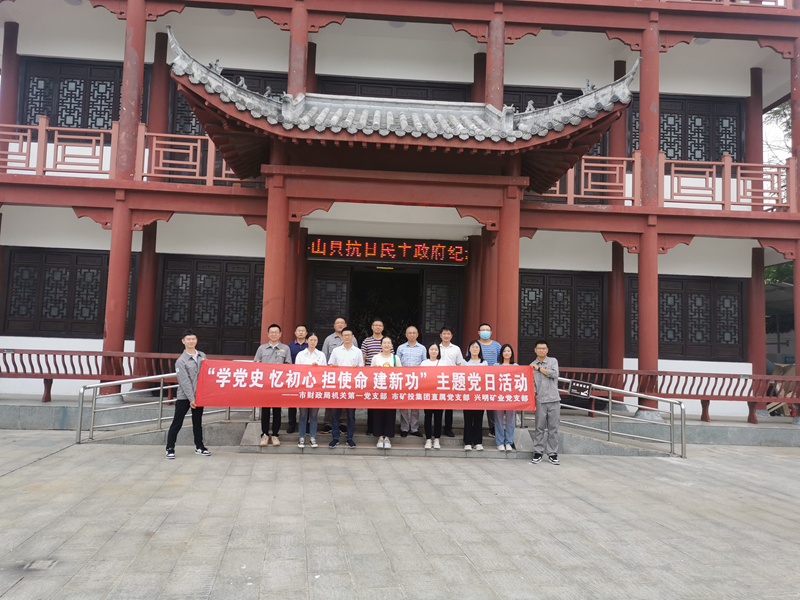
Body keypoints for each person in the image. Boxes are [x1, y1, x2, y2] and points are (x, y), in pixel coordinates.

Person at [166, 329, 209, 459]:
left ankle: (199, 446)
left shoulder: (202, 355)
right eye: (188, 339)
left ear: (196, 340)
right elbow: (184, 382)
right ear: (183, 341)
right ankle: (170, 448)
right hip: (184, 397)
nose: (191, 341)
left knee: (197, 422)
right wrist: (191, 398)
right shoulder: (181, 361)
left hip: (199, 395)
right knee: (177, 422)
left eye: (193, 339)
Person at [254, 323, 292, 447]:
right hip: (265, 385)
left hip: (278, 385)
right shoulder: (261, 348)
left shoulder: (285, 348)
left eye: (276, 332)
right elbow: (255, 364)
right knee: (265, 410)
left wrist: (282, 367)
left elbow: (289, 366)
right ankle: (264, 434)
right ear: (268, 334)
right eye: (272, 332)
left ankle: (275, 435)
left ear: (280, 334)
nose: (274, 334)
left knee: (277, 410)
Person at [327, 327, 364, 448]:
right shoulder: (336, 351)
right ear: (341, 337)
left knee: (351, 415)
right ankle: (335, 437)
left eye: (349, 335)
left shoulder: (357, 351)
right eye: (345, 335)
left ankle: (349, 438)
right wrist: (334, 366)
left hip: (352, 387)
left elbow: (362, 369)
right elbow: (329, 366)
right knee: (335, 414)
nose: (347, 337)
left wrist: (356, 368)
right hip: (338, 387)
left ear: (353, 337)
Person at [530, 339, 561, 465]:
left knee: (553, 428)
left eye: (544, 348)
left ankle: (552, 453)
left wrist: (539, 368)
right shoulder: (531, 365)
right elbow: (532, 384)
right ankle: (538, 452)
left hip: (554, 399)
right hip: (540, 400)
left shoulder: (553, 361)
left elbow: (554, 374)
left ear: (547, 350)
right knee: (539, 428)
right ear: (535, 350)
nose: (541, 350)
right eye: (539, 348)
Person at [294, 332, 326, 449]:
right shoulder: (301, 355)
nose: (313, 342)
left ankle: (312, 437)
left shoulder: (321, 355)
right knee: (303, 414)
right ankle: (302, 437)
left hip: (316, 388)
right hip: (303, 388)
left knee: (314, 415)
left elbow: (325, 371)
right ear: (307, 341)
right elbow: (296, 370)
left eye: (315, 340)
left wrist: (317, 368)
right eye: (311, 340)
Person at [320, 317, 352, 433]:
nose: (340, 325)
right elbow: (324, 356)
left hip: (348, 376)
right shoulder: (329, 339)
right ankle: (328, 423)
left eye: (342, 323)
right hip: (332, 375)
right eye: (337, 323)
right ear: (334, 325)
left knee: (345, 398)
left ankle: (343, 423)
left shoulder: (352, 339)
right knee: (331, 398)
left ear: (345, 325)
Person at [371, 336, 401, 449]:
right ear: (381, 344)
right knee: (378, 413)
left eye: (389, 343)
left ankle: (387, 437)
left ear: (392, 345)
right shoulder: (376, 357)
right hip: (378, 390)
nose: (386, 345)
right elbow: (370, 373)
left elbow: (400, 373)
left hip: (391, 390)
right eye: (384, 343)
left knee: (390, 414)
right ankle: (379, 437)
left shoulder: (395, 358)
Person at [396, 325, 426, 437]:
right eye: (410, 333)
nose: (412, 335)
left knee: (415, 405)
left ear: (417, 335)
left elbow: (424, 364)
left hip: (416, 380)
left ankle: (414, 428)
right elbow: (397, 363)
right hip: (403, 380)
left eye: (414, 333)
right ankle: (404, 428)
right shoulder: (401, 348)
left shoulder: (422, 348)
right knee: (403, 405)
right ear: (406, 335)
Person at [360, 319, 385, 436]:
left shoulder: (386, 341)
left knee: (382, 402)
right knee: (371, 402)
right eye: (376, 325)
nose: (378, 327)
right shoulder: (366, 341)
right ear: (372, 327)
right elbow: (363, 358)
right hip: (370, 376)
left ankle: (381, 427)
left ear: (383, 328)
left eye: (380, 325)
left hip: (384, 377)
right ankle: (370, 427)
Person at [438, 326, 463, 438]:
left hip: (451, 380)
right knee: (438, 405)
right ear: (440, 335)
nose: (446, 336)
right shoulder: (436, 347)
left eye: (448, 334)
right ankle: (437, 427)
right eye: (444, 333)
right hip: (438, 379)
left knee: (449, 406)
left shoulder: (456, 349)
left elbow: (459, 364)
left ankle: (448, 428)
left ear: (451, 336)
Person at [463, 340, 488, 451]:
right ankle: (467, 442)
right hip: (468, 395)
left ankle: (478, 442)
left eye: (477, 347)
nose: (474, 349)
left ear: (480, 350)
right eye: (472, 347)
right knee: (468, 419)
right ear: (469, 349)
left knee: (478, 419)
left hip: (480, 395)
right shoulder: (464, 362)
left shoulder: (484, 363)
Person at [478, 323, 502, 438]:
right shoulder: (475, 345)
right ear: (478, 332)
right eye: (483, 330)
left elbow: (501, 360)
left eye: (487, 330)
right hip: (477, 379)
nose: (485, 332)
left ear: (491, 332)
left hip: (493, 380)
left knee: (492, 405)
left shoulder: (497, 346)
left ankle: (492, 428)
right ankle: (476, 428)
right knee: (478, 403)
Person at [286, 324, 309, 434]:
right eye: (299, 330)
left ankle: (306, 424)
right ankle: (291, 424)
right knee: (292, 402)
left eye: (303, 331)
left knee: (306, 402)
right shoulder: (289, 347)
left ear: (306, 333)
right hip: (293, 377)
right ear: (295, 333)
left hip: (307, 378)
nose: (301, 332)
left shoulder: (310, 345)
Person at [494, 344, 517, 452]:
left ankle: (508, 442)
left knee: (510, 420)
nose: (506, 353)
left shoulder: (516, 366)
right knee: (498, 420)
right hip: (499, 397)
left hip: (511, 397)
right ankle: (499, 442)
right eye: (504, 351)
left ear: (512, 353)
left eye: (508, 351)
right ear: (501, 353)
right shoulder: (496, 365)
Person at [421, 343, 443, 450]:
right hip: (428, 394)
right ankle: (428, 439)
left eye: (436, 349)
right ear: (428, 351)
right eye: (431, 349)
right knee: (428, 417)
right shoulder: (424, 363)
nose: (433, 351)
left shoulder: (443, 363)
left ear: (439, 351)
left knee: (438, 417)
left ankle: (437, 439)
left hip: (439, 395)